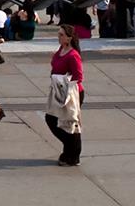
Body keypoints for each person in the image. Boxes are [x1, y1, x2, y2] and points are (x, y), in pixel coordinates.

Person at [45, 23, 84, 166]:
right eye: (58, 34)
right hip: (58, 90)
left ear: (69, 38)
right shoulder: (62, 49)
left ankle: (72, 154)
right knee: (52, 119)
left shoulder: (73, 55)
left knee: (69, 123)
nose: (58, 37)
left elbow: (78, 77)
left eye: (61, 35)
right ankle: (70, 151)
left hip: (70, 93)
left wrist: (62, 82)